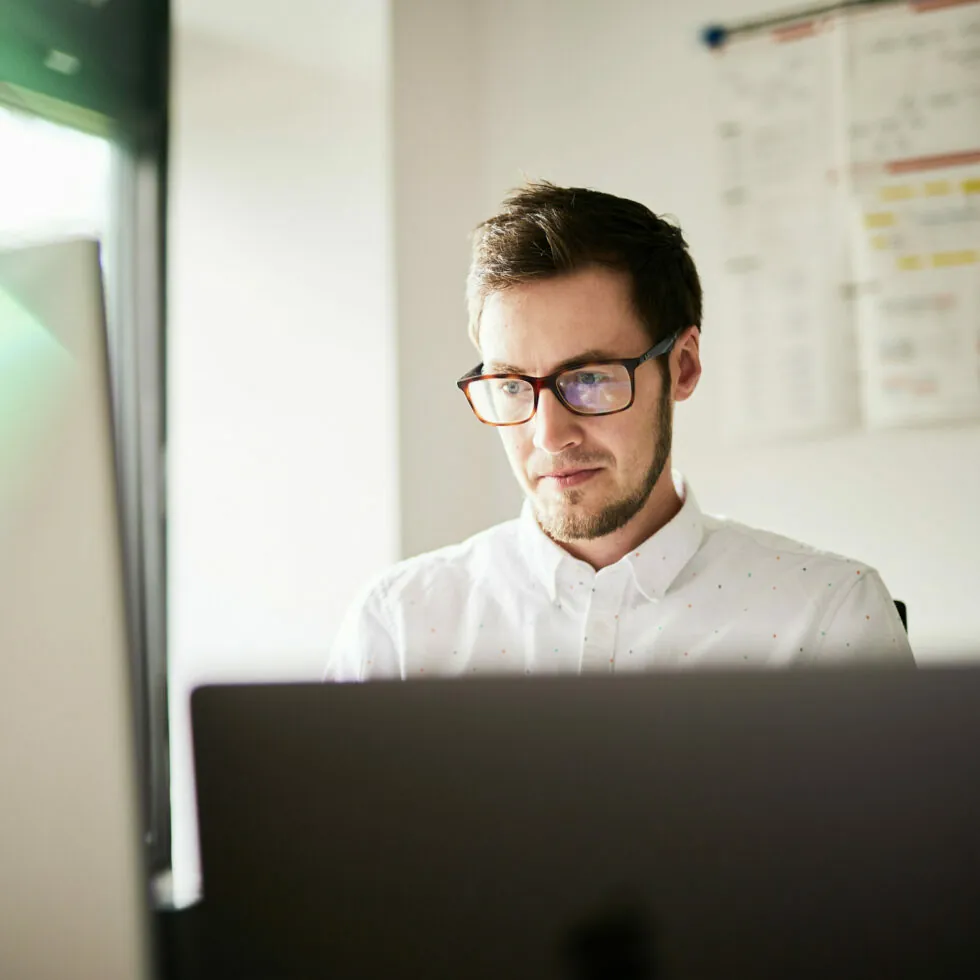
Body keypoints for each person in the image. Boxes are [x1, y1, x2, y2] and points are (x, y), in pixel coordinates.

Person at [326, 181, 913, 680]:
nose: (550, 435)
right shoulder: (398, 626)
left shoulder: (829, 616)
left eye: (589, 379)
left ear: (682, 366)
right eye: (511, 385)